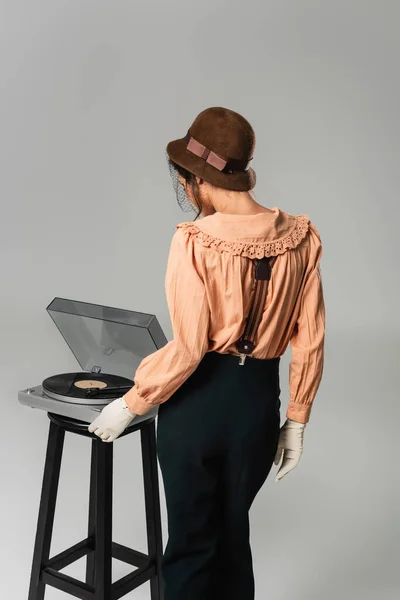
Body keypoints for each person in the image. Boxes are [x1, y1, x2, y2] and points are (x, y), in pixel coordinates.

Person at [88, 106, 326, 600]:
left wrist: (133, 402)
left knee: (191, 548)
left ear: (194, 178)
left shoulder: (193, 242)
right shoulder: (301, 237)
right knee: (234, 542)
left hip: (196, 406)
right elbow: (310, 339)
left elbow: (191, 347)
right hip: (258, 407)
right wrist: (297, 420)